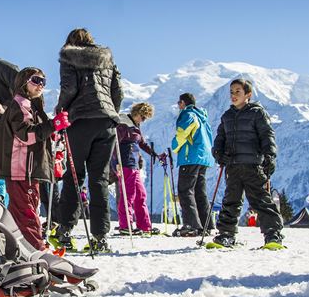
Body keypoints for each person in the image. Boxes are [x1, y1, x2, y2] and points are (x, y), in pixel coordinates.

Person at [53, 28, 123, 253]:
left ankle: (64, 231)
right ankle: (100, 237)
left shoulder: (68, 57)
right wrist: (112, 112)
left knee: (74, 176)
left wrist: (60, 112)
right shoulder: (107, 58)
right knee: (99, 179)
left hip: (80, 121)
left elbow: (69, 88)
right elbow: (117, 90)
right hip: (106, 122)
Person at [0, 67, 70, 251]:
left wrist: (51, 130)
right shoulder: (20, 105)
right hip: (21, 169)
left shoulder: (29, 105)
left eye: (43, 82)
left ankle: (17, 247)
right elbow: (26, 135)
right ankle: (37, 249)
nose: (40, 85)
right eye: (36, 80)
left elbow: (34, 133)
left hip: (24, 169)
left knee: (22, 210)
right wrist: (52, 125)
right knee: (27, 211)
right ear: (23, 82)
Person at [211, 78, 284, 248]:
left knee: (261, 201)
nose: (234, 95)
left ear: (248, 94)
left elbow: (267, 135)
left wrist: (270, 156)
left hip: (253, 165)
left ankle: (273, 235)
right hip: (233, 166)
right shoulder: (227, 116)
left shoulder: (257, 113)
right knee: (231, 201)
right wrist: (218, 153)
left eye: (238, 92)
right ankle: (226, 235)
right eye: (231, 92)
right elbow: (220, 139)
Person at [170, 93, 216, 237]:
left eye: (179, 103)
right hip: (204, 158)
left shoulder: (188, 114)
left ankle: (191, 225)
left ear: (183, 102)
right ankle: (206, 225)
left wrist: (174, 146)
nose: (178, 106)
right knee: (199, 192)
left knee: (185, 190)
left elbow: (182, 133)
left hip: (190, 157)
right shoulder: (202, 116)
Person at [114, 102, 160, 236]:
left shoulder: (135, 126)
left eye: (145, 118)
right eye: (143, 116)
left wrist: (154, 154)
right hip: (125, 164)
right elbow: (114, 144)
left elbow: (142, 143)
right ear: (136, 113)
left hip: (134, 165)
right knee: (128, 195)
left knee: (141, 195)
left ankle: (145, 226)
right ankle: (125, 225)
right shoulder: (123, 125)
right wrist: (116, 163)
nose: (143, 120)